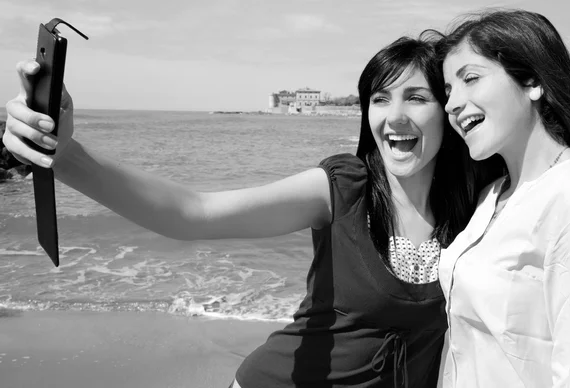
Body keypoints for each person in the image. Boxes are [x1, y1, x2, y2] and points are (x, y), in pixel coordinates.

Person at [3, 35, 489, 387]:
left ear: (447, 111)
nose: (394, 115)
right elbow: (192, 214)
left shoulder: (478, 208)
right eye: (380, 98)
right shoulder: (341, 190)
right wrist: (66, 156)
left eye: (417, 97)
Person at [436, 9, 570, 387]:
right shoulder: (490, 196)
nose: (452, 104)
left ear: (532, 82)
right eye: (447, 91)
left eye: (471, 79)